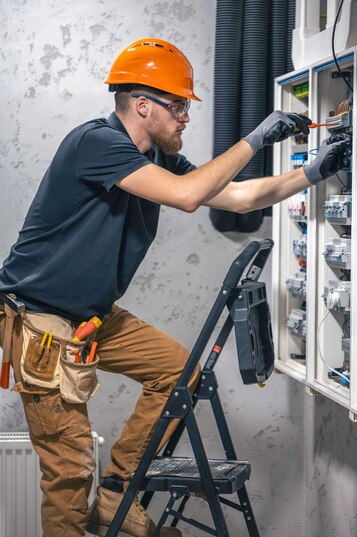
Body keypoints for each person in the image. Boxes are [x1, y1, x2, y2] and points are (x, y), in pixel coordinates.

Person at [0, 37, 347, 537]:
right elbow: (187, 198)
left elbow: (240, 198)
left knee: (179, 374)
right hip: (42, 322)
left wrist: (313, 172)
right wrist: (255, 138)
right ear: (142, 105)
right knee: (69, 471)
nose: (185, 115)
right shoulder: (95, 143)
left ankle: (117, 489)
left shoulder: (154, 159)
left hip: (92, 314)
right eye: (178, 104)